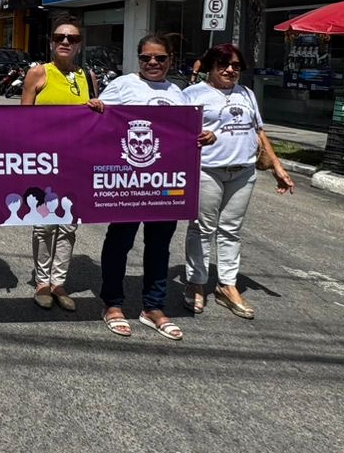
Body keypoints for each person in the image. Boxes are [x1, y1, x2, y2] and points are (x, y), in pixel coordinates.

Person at [183, 43, 295, 320]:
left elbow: (259, 131)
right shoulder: (192, 94)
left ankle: (227, 285)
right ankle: (196, 282)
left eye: (236, 66)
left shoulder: (246, 93)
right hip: (207, 169)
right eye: (223, 64)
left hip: (243, 171)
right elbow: (177, 131)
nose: (230, 70)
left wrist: (277, 166)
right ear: (210, 66)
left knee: (231, 230)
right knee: (202, 228)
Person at [93, 34, 192, 341]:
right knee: (119, 242)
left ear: (170, 60)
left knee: (159, 247)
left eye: (160, 58)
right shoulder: (122, 85)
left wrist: (204, 136)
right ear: (138, 59)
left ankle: (153, 307)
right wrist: (95, 108)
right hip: (128, 183)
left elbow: (188, 130)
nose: (152, 62)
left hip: (165, 184)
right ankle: (112, 303)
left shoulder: (178, 93)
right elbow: (98, 123)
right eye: (146, 57)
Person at [20, 15, 97, 313]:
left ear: (79, 45)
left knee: (68, 225)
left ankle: (59, 282)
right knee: (44, 225)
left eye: (72, 38)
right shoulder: (38, 73)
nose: (65, 42)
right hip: (43, 162)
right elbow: (21, 120)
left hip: (76, 163)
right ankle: (42, 282)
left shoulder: (88, 77)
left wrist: (98, 108)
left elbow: (96, 121)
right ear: (51, 42)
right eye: (60, 37)